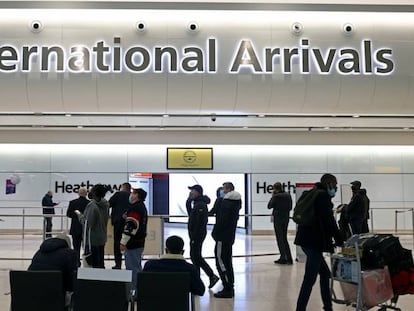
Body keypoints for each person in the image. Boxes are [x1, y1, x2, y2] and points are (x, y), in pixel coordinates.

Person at [294, 174, 343, 311]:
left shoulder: (312, 193)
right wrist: (339, 239)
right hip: (314, 242)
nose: (335, 189)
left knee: (325, 274)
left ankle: (328, 307)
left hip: (305, 240)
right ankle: (300, 308)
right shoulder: (323, 197)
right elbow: (329, 221)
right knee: (309, 279)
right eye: (335, 185)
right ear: (329, 184)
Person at [211, 182, 242, 298]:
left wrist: (215, 234)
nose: (222, 190)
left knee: (221, 261)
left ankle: (227, 287)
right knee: (228, 261)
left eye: (223, 189)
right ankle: (230, 284)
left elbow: (222, 222)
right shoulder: (236, 202)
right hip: (229, 236)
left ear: (228, 189)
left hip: (222, 237)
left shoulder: (226, 203)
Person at [28, 233, 78, 307]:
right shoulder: (70, 253)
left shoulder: (39, 252)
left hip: (32, 295)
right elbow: (72, 283)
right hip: (55, 298)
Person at [186, 184, 219, 289]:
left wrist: (194, 237)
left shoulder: (201, 205)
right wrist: (188, 202)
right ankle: (198, 279)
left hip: (198, 235)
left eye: (193, 191)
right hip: (195, 235)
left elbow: (200, 223)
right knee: (195, 257)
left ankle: (211, 275)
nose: (191, 192)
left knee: (196, 257)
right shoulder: (197, 203)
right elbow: (191, 215)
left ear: (198, 192)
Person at [120, 188, 148, 294]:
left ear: (136, 195)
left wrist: (123, 242)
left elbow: (131, 227)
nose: (131, 195)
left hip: (133, 243)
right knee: (136, 266)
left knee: (132, 268)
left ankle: (134, 292)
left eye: (133, 193)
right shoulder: (141, 207)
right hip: (139, 242)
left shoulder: (135, 209)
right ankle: (136, 289)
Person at [77, 184, 110, 268]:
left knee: (93, 264)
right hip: (102, 236)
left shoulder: (92, 206)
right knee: (100, 261)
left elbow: (88, 224)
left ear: (94, 193)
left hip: (92, 239)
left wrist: (80, 216)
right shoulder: (106, 204)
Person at [267, 182, 293, 265]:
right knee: (284, 238)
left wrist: (272, 196)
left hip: (278, 218)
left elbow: (269, 206)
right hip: (286, 218)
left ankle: (283, 257)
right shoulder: (288, 195)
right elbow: (290, 207)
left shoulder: (276, 196)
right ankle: (289, 257)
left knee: (280, 238)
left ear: (275, 188)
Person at [109, 182, 131, 269]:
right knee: (128, 242)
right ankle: (128, 263)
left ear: (122, 187)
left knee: (117, 242)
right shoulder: (131, 196)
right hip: (128, 222)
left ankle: (118, 264)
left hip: (118, 222)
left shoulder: (117, 194)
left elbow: (109, 204)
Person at [66, 187, 89, 266]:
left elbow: (68, 214)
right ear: (86, 193)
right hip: (86, 228)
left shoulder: (73, 202)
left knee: (76, 247)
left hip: (75, 228)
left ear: (78, 193)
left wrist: (77, 215)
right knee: (86, 247)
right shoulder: (89, 203)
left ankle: (76, 262)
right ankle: (87, 262)